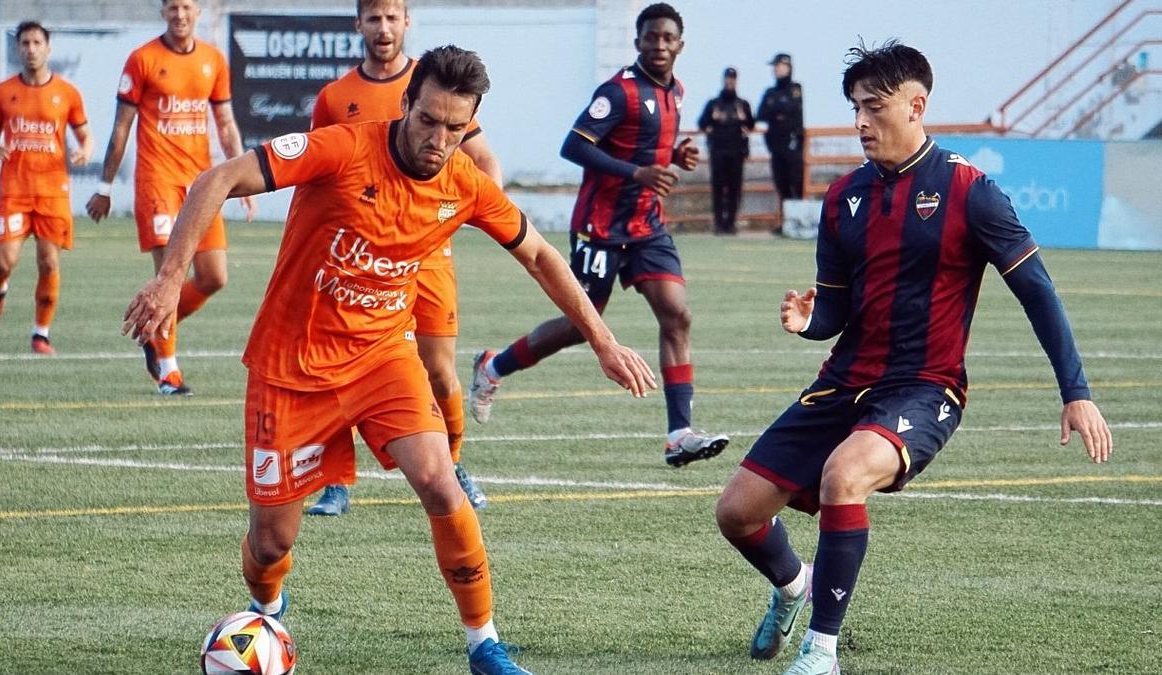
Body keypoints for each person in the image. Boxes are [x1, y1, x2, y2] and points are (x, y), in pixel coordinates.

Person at [122, 45, 656, 675]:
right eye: (428, 120)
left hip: (382, 359)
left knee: (440, 481)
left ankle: (483, 642)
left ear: (471, 126)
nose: (438, 138)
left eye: (455, 128)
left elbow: (539, 254)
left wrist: (602, 339)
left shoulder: (465, 186)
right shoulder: (343, 149)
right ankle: (265, 604)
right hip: (290, 368)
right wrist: (169, 278)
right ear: (407, 105)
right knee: (272, 545)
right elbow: (218, 178)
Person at [714, 40, 1113, 675]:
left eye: (874, 107)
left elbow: (1037, 291)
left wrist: (1077, 390)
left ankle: (822, 653)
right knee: (736, 513)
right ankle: (795, 588)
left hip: (924, 387)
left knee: (844, 476)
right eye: (855, 108)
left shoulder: (969, 189)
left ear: (916, 105)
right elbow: (838, 308)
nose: (860, 122)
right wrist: (808, 321)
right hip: (846, 379)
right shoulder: (843, 196)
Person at [468, 3, 729, 467]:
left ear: (681, 45)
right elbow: (574, 145)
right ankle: (493, 366)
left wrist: (677, 154)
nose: (660, 46)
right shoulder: (619, 92)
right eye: (652, 38)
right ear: (638, 42)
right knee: (578, 325)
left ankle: (679, 433)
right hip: (600, 228)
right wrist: (638, 173)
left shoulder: (678, 92)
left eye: (669, 38)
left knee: (677, 314)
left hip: (647, 227)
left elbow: (650, 143)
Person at [304, 0, 503, 517]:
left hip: (427, 252)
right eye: (374, 17)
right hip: (357, 263)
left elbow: (484, 162)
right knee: (338, 362)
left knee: (439, 371)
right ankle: (336, 482)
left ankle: (454, 465)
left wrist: (457, 215)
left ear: (407, 21)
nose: (384, 27)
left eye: (393, 17)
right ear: (359, 24)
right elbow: (314, 177)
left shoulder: (437, 84)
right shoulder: (334, 98)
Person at [86, 0, 256, 395]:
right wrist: (105, 187)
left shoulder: (213, 60)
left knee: (214, 277)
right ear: (162, 12)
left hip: (201, 185)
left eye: (187, 7)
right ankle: (168, 372)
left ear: (198, 12)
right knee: (169, 276)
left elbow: (227, 125)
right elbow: (121, 128)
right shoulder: (143, 59)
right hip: (157, 181)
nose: (180, 15)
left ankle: (153, 331)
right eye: (173, 7)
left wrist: (241, 179)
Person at [0, 21, 93, 354]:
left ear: (48, 48)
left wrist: (85, 150)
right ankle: (2, 287)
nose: (31, 48)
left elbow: (85, 135)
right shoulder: (3, 91)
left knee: (48, 263)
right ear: (18, 48)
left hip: (52, 192)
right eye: (25, 43)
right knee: (3, 262)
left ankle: (41, 334)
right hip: (14, 189)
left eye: (37, 42)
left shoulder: (67, 93)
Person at [698, 66, 753, 235]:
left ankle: (731, 223)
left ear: (736, 81)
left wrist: (743, 119)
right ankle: (719, 223)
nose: (730, 81)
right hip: (718, 152)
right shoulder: (714, 104)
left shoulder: (742, 104)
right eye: (728, 78)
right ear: (723, 80)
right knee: (718, 188)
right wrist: (712, 120)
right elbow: (701, 123)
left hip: (736, 153)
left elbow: (751, 124)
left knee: (735, 189)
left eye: (733, 78)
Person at [758, 53, 805, 207]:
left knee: (796, 183)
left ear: (788, 67)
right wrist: (778, 112)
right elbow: (761, 114)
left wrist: (777, 111)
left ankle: (797, 221)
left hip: (792, 145)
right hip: (775, 146)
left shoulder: (795, 89)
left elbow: (792, 109)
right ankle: (786, 221)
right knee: (781, 184)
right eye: (775, 67)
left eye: (779, 66)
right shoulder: (770, 93)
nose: (776, 70)